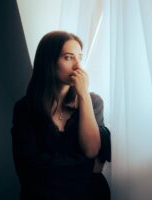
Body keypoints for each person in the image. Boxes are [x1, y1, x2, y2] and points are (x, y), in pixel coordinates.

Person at [11, 31, 111, 200]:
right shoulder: (25, 108)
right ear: (49, 61)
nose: (78, 66)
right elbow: (29, 167)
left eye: (79, 57)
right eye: (68, 57)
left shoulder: (93, 102)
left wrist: (83, 95)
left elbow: (92, 150)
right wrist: (83, 166)